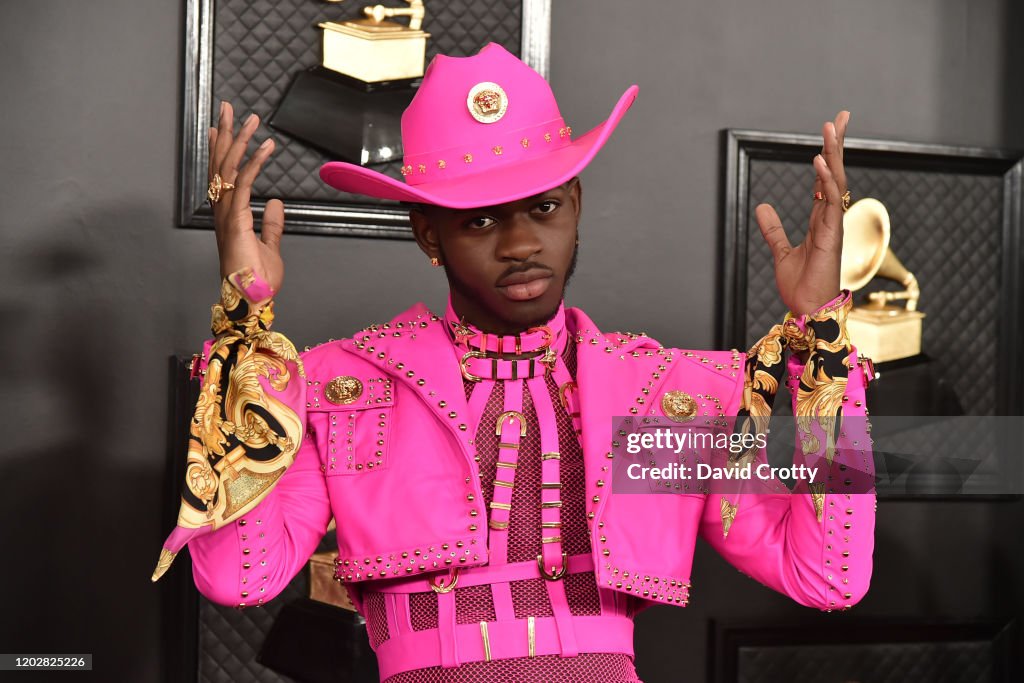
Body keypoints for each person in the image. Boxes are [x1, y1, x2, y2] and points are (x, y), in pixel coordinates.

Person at [152, 43, 876, 682]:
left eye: (545, 207)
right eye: (480, 220)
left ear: (578, 205)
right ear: (427, 234)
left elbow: (826, 573)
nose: (521, 243)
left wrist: (822, 345)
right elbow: (241, 576)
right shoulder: (352, 387)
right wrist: (243, 332)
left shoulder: (658, 398)